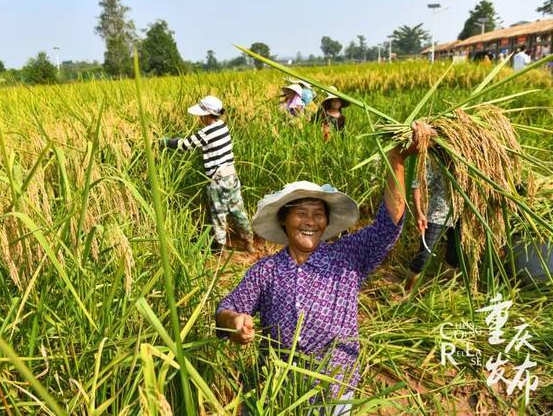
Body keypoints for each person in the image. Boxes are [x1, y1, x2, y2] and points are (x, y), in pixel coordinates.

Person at [215, 123, 429, 414]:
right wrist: (235, 322)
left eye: (318, 215)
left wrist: (398, 160)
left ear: (327, 223)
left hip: (335, 388)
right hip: (279, 389)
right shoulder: (266, 270)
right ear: (284, 222)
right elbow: (226, 309)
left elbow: (387, 227)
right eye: (301, 214)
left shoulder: (348, 257)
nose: (310, 222)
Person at [161, 95, 255, 253]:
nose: (199, 119)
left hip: (218, 181)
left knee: (218, 215)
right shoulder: (222, 126)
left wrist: (166, 142)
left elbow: (185, 145)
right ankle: (249, 243)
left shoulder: (207, 132)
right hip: (231, 177)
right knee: (238, 211)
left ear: (205, 115)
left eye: (200, 116)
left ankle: (221, 249)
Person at [406, 158, 459, 291]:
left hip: (460, 217)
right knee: (423, 256)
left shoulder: (470, 159)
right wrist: (419, 213)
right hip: (437, 215)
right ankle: (406, 292)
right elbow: (417, 184)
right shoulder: (436, 160)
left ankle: (445, 292)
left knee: (454, 257)